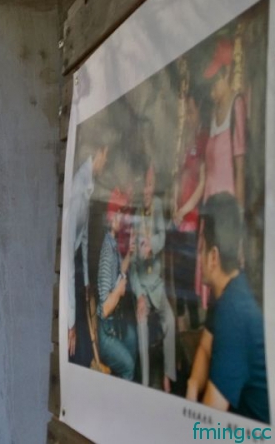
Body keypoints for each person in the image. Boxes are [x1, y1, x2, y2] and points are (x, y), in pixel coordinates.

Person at [185, 193, 268, 423]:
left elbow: (208, 425)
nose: (198, 255)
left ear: (213, 257)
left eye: (201, 247)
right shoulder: (229, 287)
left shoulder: (234, 312)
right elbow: (205, 347)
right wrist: (192, 386)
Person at [196, 39, 248, 309]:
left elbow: (239, 168)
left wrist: (239, 218)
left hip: (226, 211)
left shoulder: (237, 105)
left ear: (227, 73)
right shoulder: (213, 113)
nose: (212, 90)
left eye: (215, 82)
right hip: (210, 207)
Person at [130, 164, 176, 391]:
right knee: (142, 325)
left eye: (150, 185)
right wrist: (139, 295)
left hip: (157, 285)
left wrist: (152, 245)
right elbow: (132, 266)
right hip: (142, 287)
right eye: (144, 186)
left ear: (154, 186)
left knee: (171, 322)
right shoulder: (135, 215)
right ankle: (146, 383)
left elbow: (163, 236)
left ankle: (168, 375)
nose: (147, 191)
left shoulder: (157, 205)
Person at [67, 143, 110, 367]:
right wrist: (70, 323)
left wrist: (85, 281)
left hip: (76, 269)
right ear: (98, 153)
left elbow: (83, 238)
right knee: (79, 345)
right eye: (106, 155)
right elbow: (67, 258)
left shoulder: (88, 183)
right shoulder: (78, 187)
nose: (106, 161)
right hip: (69, 268)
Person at [170, 95, 207, 330]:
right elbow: (178, 177)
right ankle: (183, 328)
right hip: (179, 219)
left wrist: (183, 210)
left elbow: (202, 183)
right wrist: (175, 207)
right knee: (179, 278)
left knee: (189, 277)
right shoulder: (185, 140)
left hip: (191, 220)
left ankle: (193, 327)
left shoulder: (203, 139)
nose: (188, 118)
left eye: (191, 112)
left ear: (199, 110)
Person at [96, 188, 137, 380]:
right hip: (106, 332)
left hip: (115, 324)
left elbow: (120, 272)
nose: (120, 218)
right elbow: (104, 309)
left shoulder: (113, 243)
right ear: (111, 216)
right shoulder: (107, 252)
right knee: (128, 366)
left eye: (122, 213)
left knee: (133, 337)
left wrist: (130, 252)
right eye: (118, 212)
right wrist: (120, 290)